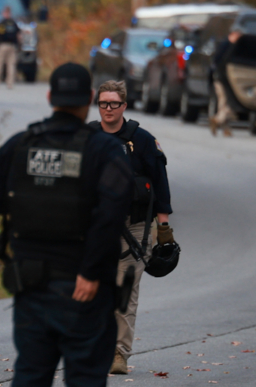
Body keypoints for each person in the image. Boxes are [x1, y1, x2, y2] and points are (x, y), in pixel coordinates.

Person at [0, 63, 133, 387]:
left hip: (30, 286)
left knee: (31, 376)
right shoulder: (104, 149)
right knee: (86, 378)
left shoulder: (21, 144)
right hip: (84, 288)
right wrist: (90, 273)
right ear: (90, 98)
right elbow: (112, 214)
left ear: (50, 96)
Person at [87, 81, 173, 375]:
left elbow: (160, 185)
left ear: (124, 106)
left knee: (125, 290)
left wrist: (164, 229)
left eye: (114, 103)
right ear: (97, 106)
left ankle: (119, 353)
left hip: (134, 228)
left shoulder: (143, 141)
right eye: (103, 103)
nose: (108, 109)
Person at [210, 30, 241, 137]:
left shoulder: (227, 46)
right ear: (231, 35)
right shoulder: (227, 46)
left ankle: (225, 128)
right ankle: (218, 120)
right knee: (227, 103)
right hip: (223, 79)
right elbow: (217, 62)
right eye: (237, 35)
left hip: (221, 78)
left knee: (223, 103)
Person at [0, 5, 21, 89]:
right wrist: (19, 45)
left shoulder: (2, 23)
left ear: (4, 12)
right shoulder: (14, 23)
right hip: (12, 46)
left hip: (3, 45)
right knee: (11, 65)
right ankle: (10, 83)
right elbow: (19, 36)